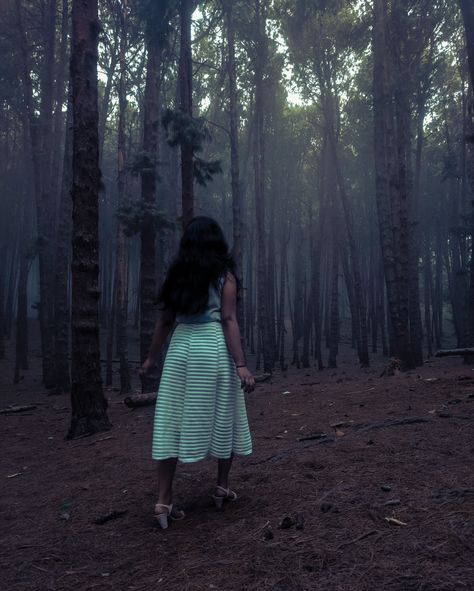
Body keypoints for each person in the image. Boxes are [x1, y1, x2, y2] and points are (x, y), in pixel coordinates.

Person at [140, 216, 254, 529]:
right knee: (225, 414)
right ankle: (221, 486)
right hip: (213, 349)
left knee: (171, 421)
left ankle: (163, 501)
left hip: (180, 351)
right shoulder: (225, 276)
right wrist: (241, 364)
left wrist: (151, 359)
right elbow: (228, 320)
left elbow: (164, 322)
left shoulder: (177, 274)